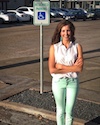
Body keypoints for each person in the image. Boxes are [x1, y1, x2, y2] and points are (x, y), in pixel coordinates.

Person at [48, 20, 84, 125]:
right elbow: (52, 69)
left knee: (69, 112)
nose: (66, 33)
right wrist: (73, 67)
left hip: (73, 82)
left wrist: (61, 66)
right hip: (58, 82)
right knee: (60, 111)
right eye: (63, 31)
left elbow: (79, 69)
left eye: (68, 30)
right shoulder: (54, 48)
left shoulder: (77, 47)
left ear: (72, 32)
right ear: (60, 32)